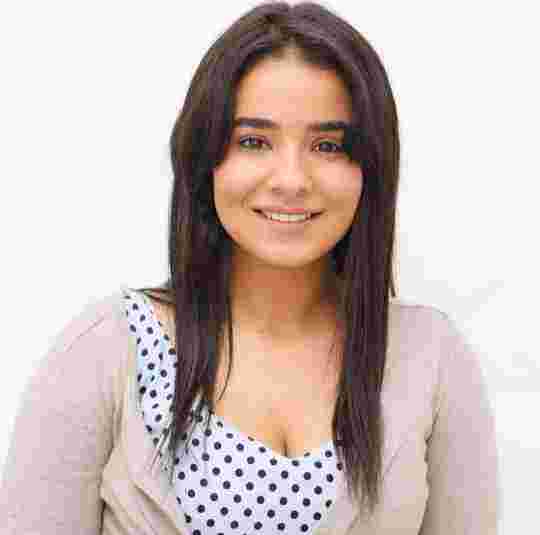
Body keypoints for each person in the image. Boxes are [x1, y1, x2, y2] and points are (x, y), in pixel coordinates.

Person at [0, 1, 500, 533]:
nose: (291, 179)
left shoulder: (429, 356)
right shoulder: (109, 348)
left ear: (370, 168)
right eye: (254, 141)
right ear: (205, 159)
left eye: (328, 145)